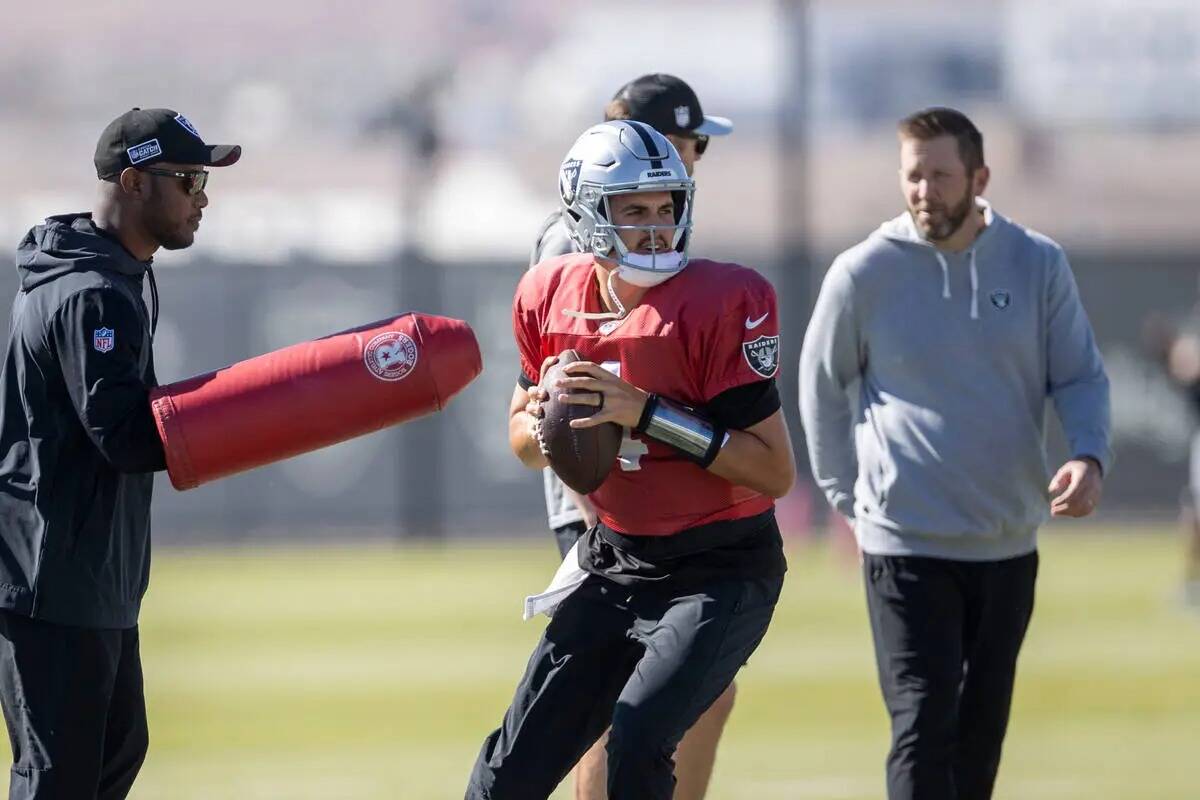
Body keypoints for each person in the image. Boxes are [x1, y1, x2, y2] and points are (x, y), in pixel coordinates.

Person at [467, 120, 795, 800]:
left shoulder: (719, 301)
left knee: (638, 741)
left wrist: (644, 412)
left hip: (720, 566)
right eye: (633, 210)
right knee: (507, 775)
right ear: (587, 214)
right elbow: (524, 445)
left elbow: (772, 471)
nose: (655, 228)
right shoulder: (547, 295)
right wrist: (553, 409)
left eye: (666, 207)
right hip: (615, 558)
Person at [798, 107, 1112, 800]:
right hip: (903, 543)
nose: (924, 190)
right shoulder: (863, 273)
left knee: (980, 735)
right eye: (913, 175)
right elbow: (820, 386)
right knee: (922, 718)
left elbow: (1081, 376)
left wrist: (1088, 456)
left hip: (1006, 543)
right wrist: (849, 496)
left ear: (979, 177)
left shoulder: (1037, 263)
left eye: (941, 175)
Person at [0, 107, 240, 799]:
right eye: (188, 179)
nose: (202, 196)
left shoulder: (116, 274)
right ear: (135, 182)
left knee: (112, 758)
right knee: (60, 780)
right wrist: (247, 417)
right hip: (52, 573)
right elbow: (125, 438)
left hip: (91, 574)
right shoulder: (93, 293)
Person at [526, 72, 736, 800]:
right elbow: (552, 393)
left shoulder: (659, 232)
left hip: (650, 487)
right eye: (689, 143)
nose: (694, 161)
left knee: (700, 692)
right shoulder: (575, 236)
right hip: (603, 496)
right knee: (613, 700)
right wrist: (602, 515)